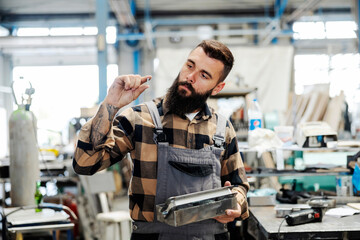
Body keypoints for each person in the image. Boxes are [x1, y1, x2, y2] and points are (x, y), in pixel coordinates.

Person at [73, 39, 249, 240]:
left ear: (217, 88)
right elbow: (84, 164)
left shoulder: (223, 129)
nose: (190, 77)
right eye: (190, 65)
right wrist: (110, 105)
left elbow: (239, 186)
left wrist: (236, 203)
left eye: (204, 75)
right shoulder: (139, 119)